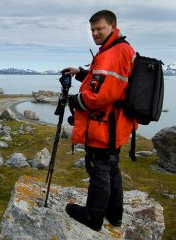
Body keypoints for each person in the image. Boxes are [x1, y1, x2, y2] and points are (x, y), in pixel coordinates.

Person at [62, 10, 136, 231]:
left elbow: (100, 96)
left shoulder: (110, 54)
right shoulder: (122, 48)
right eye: (92, 29)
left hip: (103, 127)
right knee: (111, 167)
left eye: (99, 28)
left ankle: (92, 217)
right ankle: (115, 215)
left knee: (98, 169)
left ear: (113, 26)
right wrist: (83, 73)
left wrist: (75, 101)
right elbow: (110, 84)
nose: (95, 33)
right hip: (116, 124)